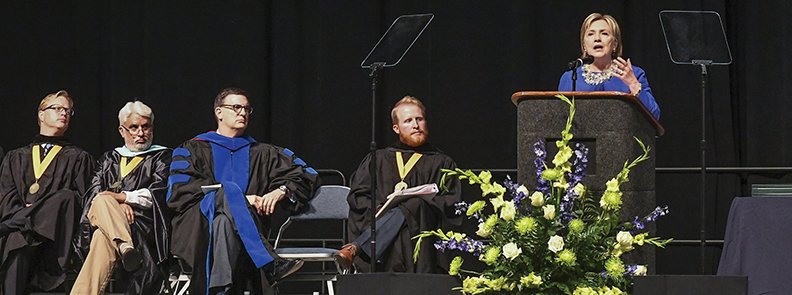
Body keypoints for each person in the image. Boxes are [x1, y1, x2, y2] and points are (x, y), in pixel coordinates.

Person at [167, 87, 319, 295]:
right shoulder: (192, 149)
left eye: (247, 109)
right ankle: (268, 263)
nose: (243, 113)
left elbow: (307, 173)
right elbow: (178, 191)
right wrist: (238, 198)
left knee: (224, 223)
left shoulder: (264, 153)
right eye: (236, 107)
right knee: (227, 195)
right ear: (218, 112)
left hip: (243, 231)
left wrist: (280, 191)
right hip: (197, 227)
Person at [336, 96, 462, 273]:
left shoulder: (442, 163)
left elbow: (453, 203)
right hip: (383, 228)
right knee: (406, 209)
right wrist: (383, 208)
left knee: (413, 204)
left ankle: (356, 247)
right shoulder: (377, 159)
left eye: (419, 119)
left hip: (423, 230)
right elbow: (358, 196)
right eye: (408, 121)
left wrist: (419, 204)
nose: (416, 125)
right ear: (396, 128)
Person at [72, 101, 171, 294]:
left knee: (103, 235)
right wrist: (116, 207)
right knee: (102, 201)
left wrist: (122, 198)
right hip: (107, 220)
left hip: (143, 223)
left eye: (145, 126)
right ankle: (125, 246)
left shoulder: (162, 157)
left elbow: (158, 192)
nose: (140, 133)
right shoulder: (109, 159)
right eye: (134, 127)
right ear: (122, 130)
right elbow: (93, 196)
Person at [0, 90, 94, 294]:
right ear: (41, 114)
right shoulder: (15, 157)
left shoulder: (79, 157)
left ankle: (24, 221)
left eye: (68, 111)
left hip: (57, 238)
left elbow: (81, 202)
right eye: (58, 108)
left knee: (67, 197)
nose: (64, 113)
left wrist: (32, 212)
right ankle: (25, 224)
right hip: (21, 236)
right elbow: (6, 196)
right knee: (17, 240)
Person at [558, 12, 661, 119]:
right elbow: (559, 118)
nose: (597, 38)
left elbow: (655, 115)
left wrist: (634, 85)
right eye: (590, 34)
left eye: (604, 33)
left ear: (615, 44)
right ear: (584, 45)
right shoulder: (570, 78)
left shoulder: (633, 74)